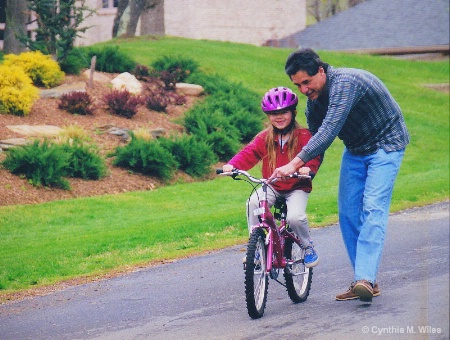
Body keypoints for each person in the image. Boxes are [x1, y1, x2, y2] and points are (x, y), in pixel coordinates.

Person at [269, 48, 410, 302]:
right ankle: (365, 281)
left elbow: (329, 131)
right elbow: (315, 143)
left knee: (373, 207)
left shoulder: (345, 83)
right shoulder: (314, 104)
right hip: (356, 149)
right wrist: (306, 172)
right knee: (346, 213)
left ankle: (365, 278)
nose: (303, 90)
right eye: (297, 84)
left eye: (307, 82)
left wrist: (293, 164)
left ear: (321, 71)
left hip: (386, 144)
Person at [223, 86, 322, 268]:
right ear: (268, 116)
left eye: (284, 112)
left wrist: (308, 169)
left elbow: (314, 154)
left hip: (297, 186)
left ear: (293, 113)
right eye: (273, 113)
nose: (279, 117)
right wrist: (233, 165)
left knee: (295, 217)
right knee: (253, 203)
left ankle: (308, 247)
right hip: (272, 186)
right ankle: (257, 246)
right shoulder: (264, 138)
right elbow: (249, 153)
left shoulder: (304, 135)